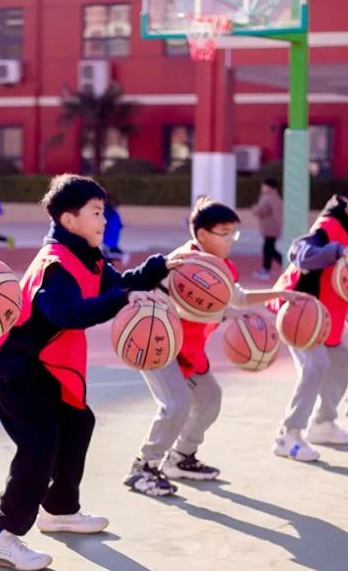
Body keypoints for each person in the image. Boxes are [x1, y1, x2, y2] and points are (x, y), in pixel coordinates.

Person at [0, 174, 182, 571]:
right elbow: (66, 312)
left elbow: (116, 286)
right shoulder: (55, 265)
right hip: (12, 365)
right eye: (97, 212)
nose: (105, 219)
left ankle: (59, 510)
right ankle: (0, 537)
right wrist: (122, 298)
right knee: (39, 442)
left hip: (41, 364)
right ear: (70, 220)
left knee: (78, 421)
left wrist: (157, 269)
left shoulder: (88, 256)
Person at [127, 197, 308, 496]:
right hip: (157, 343)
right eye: (224, 233)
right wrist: (227, 313)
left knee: (210, 399)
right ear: (201, 235)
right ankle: (143, 468)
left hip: (187, 350)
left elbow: (237, 297)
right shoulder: (182, 263)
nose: (231, 240)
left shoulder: (220, 267)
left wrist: (282, 293)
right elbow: (181, 305)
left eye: (233, 233)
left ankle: (180, 457)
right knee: (176, 405)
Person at [271, 171, 348, 462]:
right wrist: (339, 251)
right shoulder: (329, 224)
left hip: (321, 316)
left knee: (343, 357)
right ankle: (287, 436)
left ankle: (322, 424)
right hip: (299, 311)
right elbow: (298, 252)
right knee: (315, 366)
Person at [251, 178, 284, 279]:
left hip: (269, 227)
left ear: (268, 186)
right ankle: (266, 269)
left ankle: (267, 269)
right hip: (273, 226)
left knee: (269, 249)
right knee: (269, 248)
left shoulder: (267, 197)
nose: (262, 188)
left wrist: (254, 209)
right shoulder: (276, 196)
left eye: (264, 185)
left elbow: (262, 210)